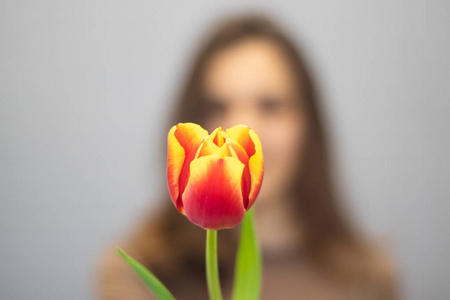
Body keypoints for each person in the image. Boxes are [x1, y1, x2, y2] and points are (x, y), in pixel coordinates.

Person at [96, 15, 398, 300]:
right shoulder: (135, 271)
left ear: (309, 125)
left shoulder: (368, 278)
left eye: (270, 105)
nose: (240, 129)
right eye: (218, 106)